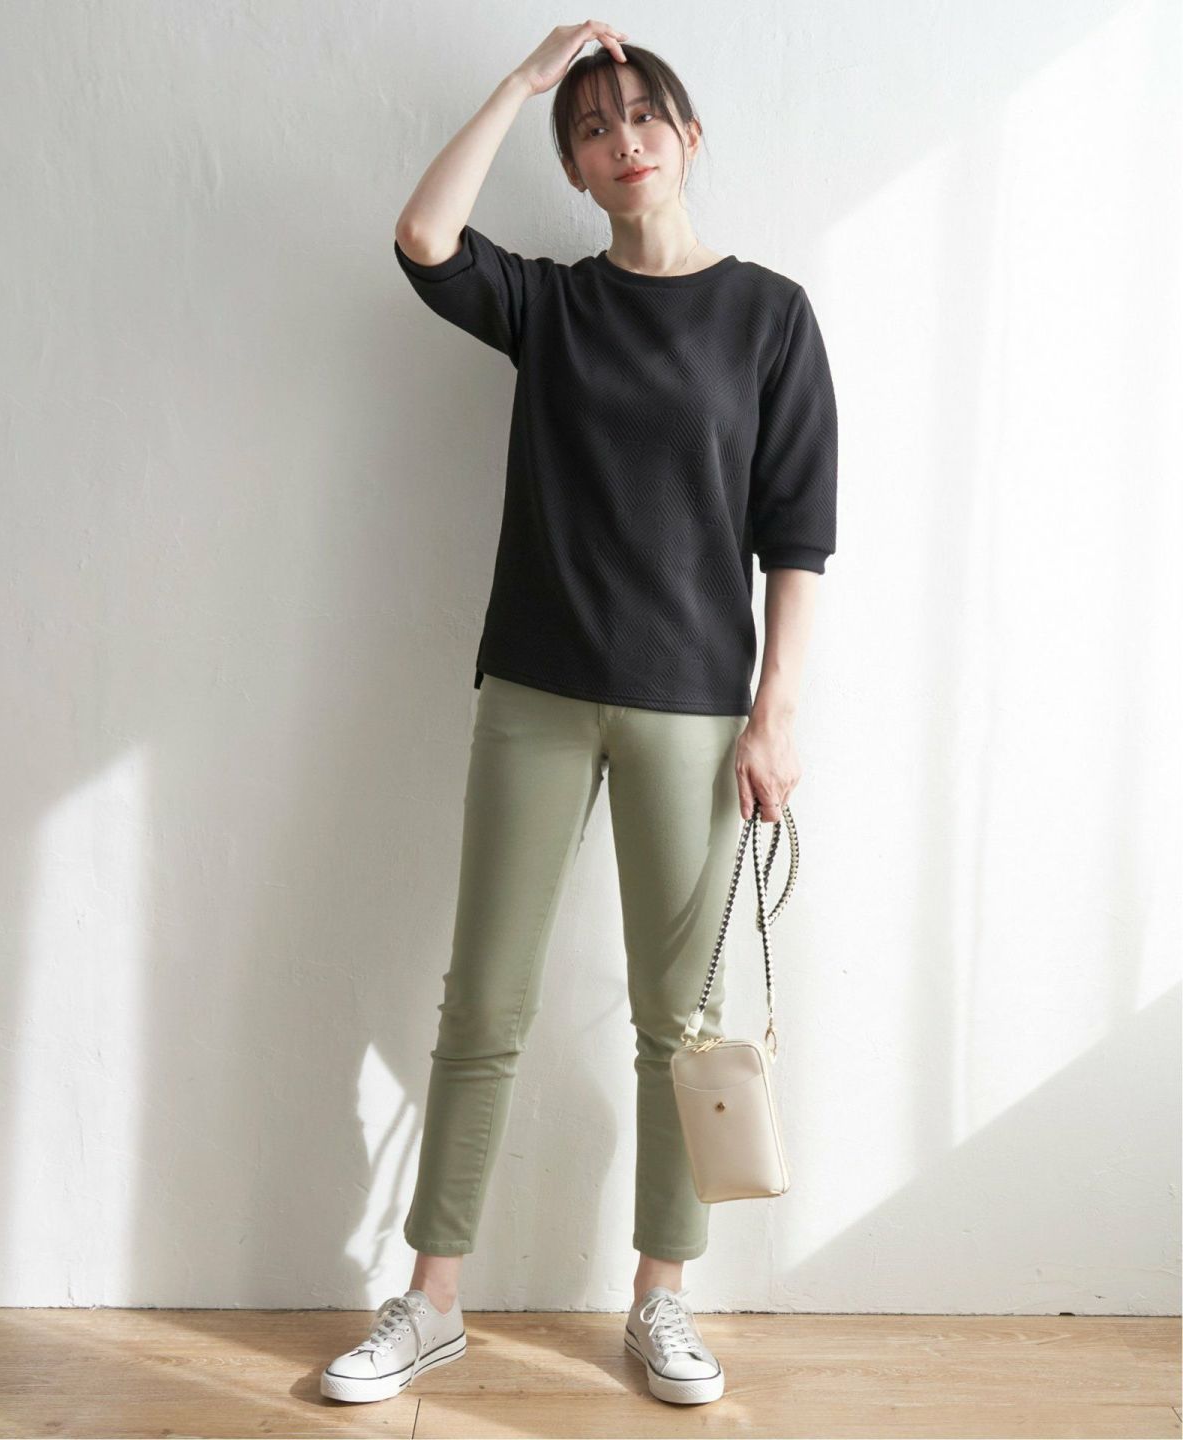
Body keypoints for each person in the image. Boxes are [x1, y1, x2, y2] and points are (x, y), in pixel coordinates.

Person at [320, 20, 837, 1409]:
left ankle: (662, 1298)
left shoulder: (770, 316)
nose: (623, 142)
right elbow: (425, 238)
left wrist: (776, 712)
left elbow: (797, 536)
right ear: (576, 168)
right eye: (593, 128)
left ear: (689, 134)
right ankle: (432, 1301)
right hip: (536, 691)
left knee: (683, 1024)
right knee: (482, 1002)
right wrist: (520, 83)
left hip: (693, 710)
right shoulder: (550, 305)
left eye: (642, 115)